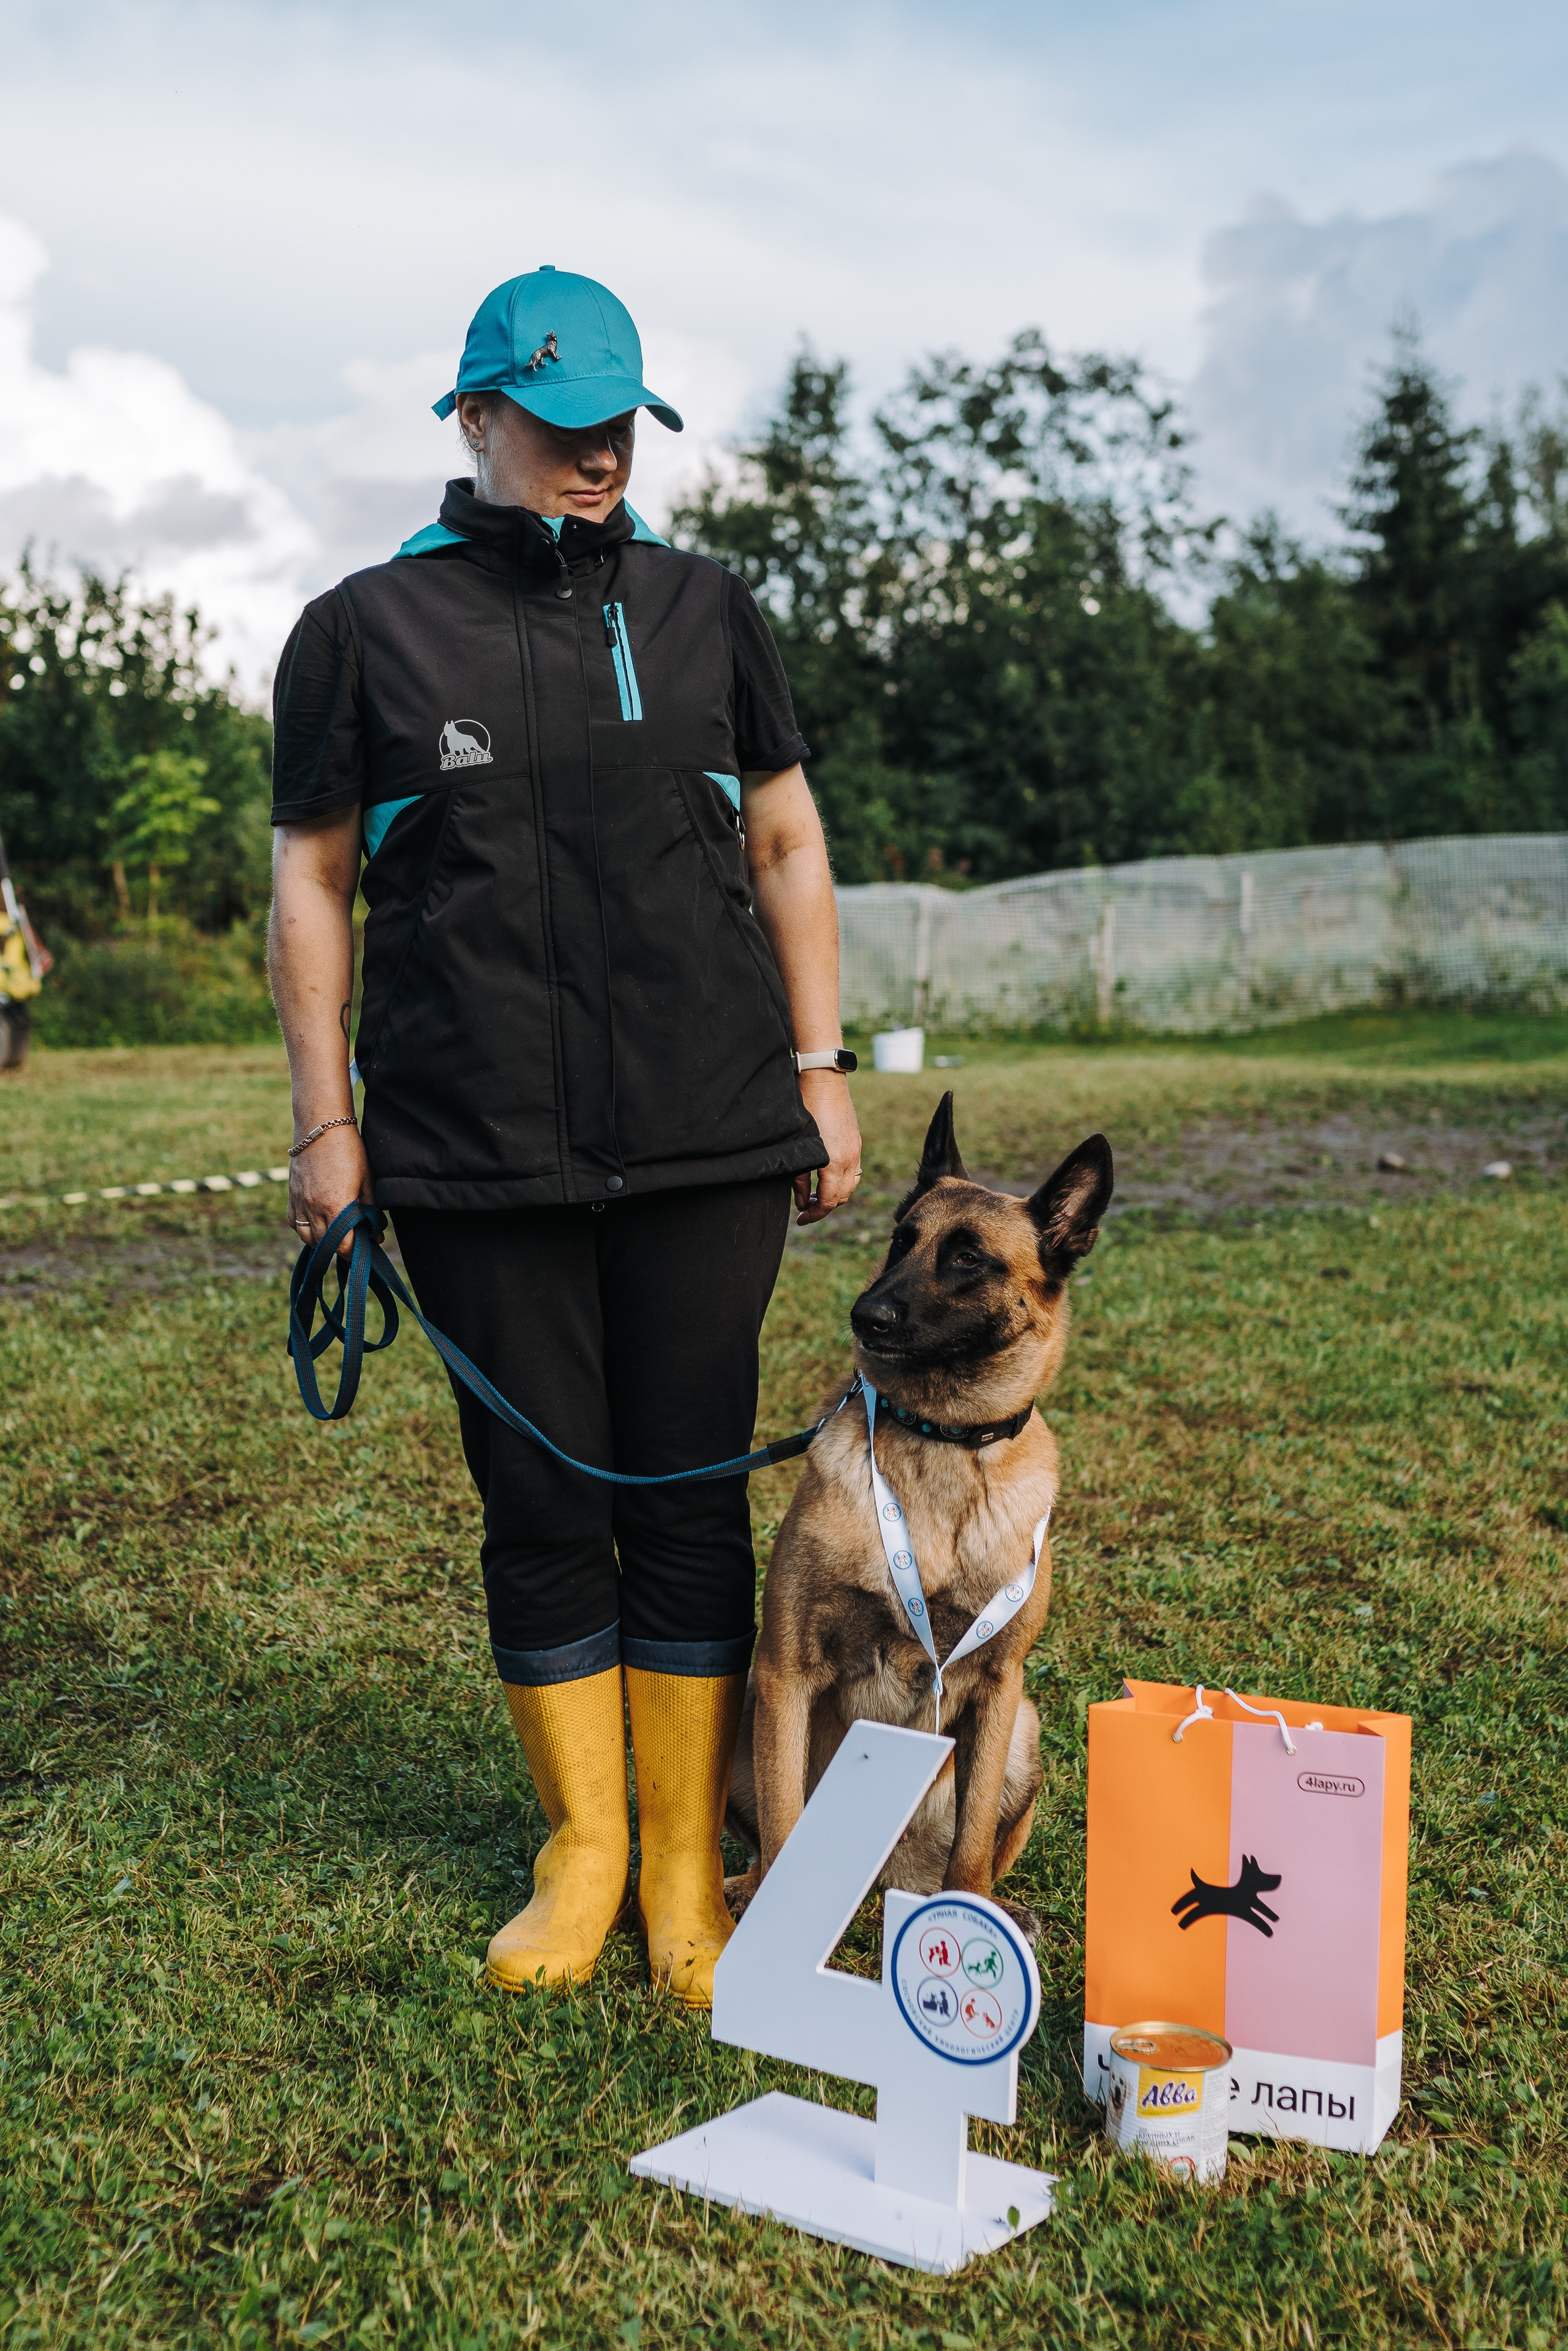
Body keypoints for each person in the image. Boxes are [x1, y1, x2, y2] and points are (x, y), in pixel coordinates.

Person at [267, 268, 862, 2008]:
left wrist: (821, 1068)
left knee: (684, 1492)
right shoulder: (362, 631)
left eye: (620, 424)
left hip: (706, 1132)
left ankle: (684, 1867)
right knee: (539, 1499)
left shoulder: (703, 610)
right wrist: (327, 1123)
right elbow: (312, 883)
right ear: (476, 416)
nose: (599, 453)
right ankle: (584, 1851)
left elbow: (786, 840)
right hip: (472, 1146)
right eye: (560, 423)